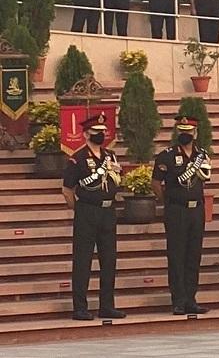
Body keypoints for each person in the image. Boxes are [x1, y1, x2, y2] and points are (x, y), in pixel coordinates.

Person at [61, 113, 126, 321]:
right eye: (96, 132)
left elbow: (117, 179)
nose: (100, 135)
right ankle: (80, 307)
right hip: (87, 211)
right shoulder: (77, 158)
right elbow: (67, 190)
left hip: (108, 211)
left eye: (102, 132)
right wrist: (78, 209)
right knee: (82, 261)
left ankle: (107, 305)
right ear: (86, 134)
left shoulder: (110, 156)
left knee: (109, 260)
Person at [151, 115, 212, 315]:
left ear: (195, 133)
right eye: (182, 131)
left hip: (196, 210)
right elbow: (156, 184)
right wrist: (167, 201)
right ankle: (178, 300)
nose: (185, 134)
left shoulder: (201, 155)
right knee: (177, 255)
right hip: (176, 209)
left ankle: (191, 299)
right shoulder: (166, 155)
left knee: (194, 255)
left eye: (189, 131)